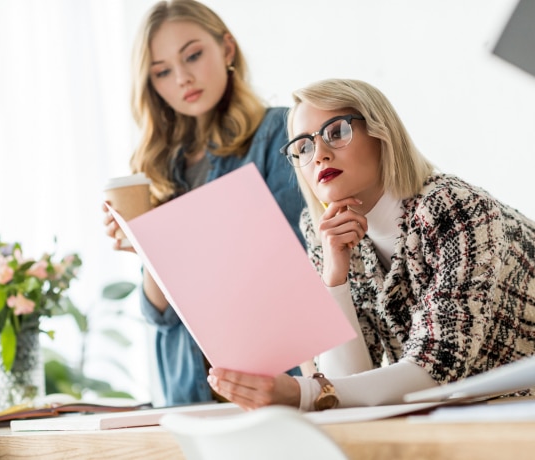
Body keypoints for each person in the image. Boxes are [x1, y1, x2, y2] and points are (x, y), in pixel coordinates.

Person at [207, 78, 535, 411]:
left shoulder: (454, 208)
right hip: (465, 422)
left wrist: (300, 392)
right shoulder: (325, 234)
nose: (319, 154)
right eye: (303, 147)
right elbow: (343, 390)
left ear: (382, 133)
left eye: (336, 132)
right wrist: (335, 277)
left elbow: (437, 366)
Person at [102, 0, 305, 406]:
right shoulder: (159, 169)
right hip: (188, 394)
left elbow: (297, 267)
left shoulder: (278, 134)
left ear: (226, 49)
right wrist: (148, 247)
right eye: (162, 71)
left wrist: (181, 246)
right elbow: (161, 315)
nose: (183, 78)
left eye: (193, 55)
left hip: (274, 381)